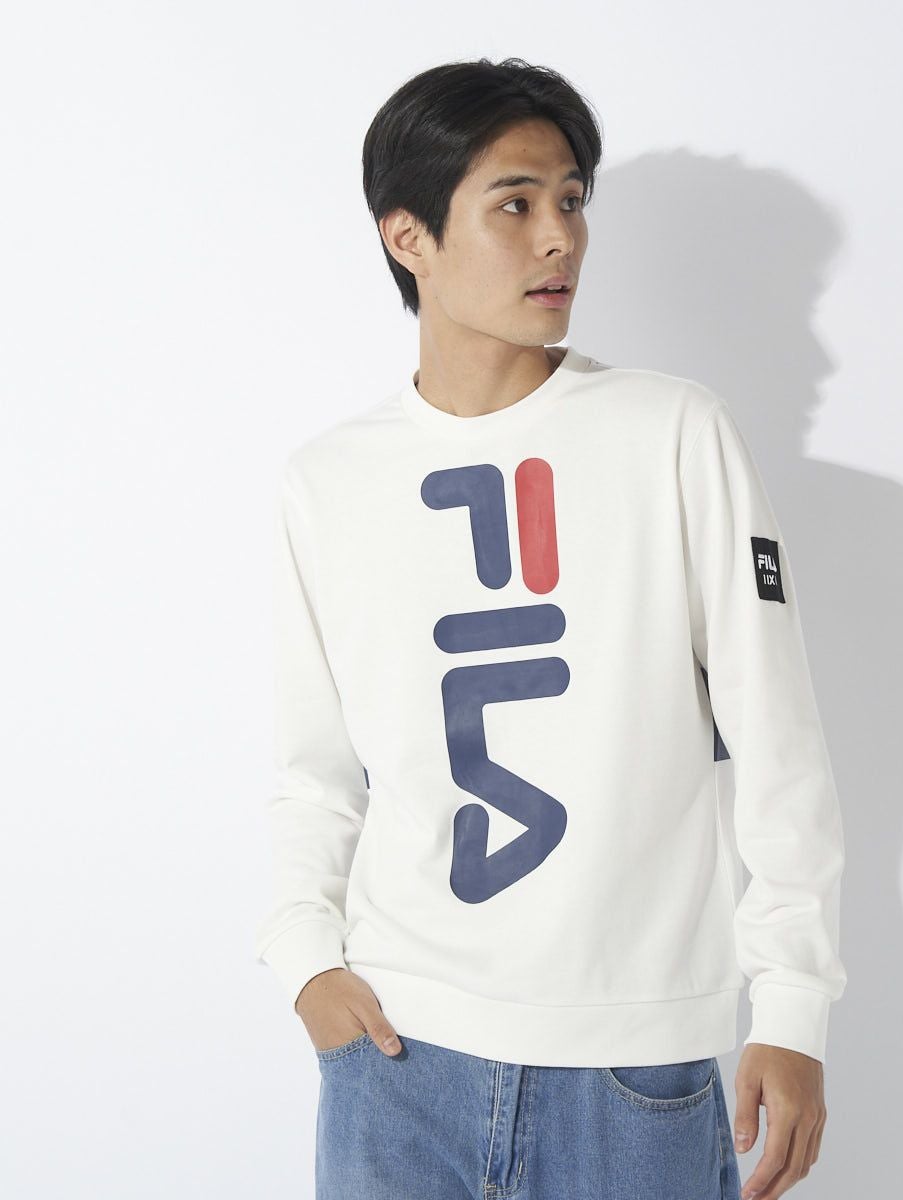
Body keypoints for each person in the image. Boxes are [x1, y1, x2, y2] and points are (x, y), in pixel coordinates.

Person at [254, 57, 847, 1200]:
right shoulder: (327, 481)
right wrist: (304, 960)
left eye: (571, 200)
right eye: (514, 203)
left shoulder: (671, 434)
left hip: (631, 1072)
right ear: (408, 237)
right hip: (396, 1060)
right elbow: (313, 773)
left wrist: (793, 1007)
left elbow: (779, 745)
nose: (558, 238)